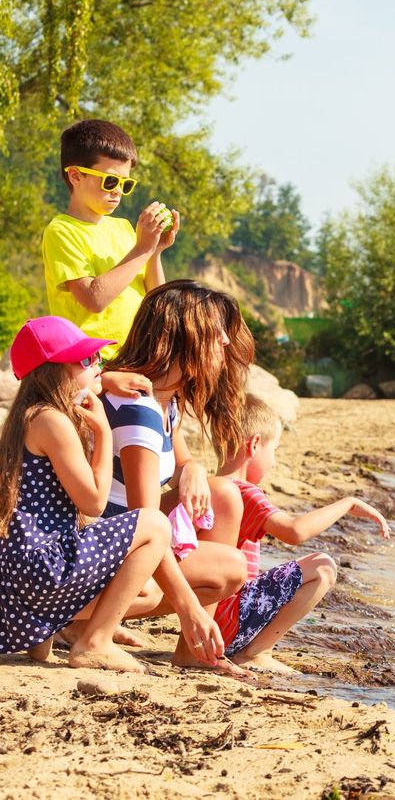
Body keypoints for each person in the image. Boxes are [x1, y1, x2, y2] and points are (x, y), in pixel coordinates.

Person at [0, 317, 223, 673]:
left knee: (147, 591)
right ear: (54, 372)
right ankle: (95, 643)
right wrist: (104, 433)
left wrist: (103, 379)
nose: (98, 365)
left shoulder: (28, 417)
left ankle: (46, 635)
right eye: (87, 360)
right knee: (153, 524)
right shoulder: (52, 421)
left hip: (21, 574)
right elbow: (93, 502)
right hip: (43, 570)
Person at [98, 279, 254, 674]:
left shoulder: (164, 399)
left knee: (223, 494)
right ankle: (89, 626)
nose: (225, 342)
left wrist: (194, 469)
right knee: (230, 568)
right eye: (216, 332)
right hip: (96, 552)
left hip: (115, 538)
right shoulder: (139, 408)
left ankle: (193, 652)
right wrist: (189, 608)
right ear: (185, 336)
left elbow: (180, 462)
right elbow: (145, 524)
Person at [214, 395, 390, 673]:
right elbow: (295, 532)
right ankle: (256, 652)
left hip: (208, 622)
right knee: (322, 566)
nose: (273, 462)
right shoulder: (244, 492)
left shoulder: (211, 487)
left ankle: (252, 649)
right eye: (275, 450)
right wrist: (348, 504)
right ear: (254, 444)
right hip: (229, 624)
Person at [42, 119, 179, 355]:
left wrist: (155, 251)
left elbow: (159, 302)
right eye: (111, 180)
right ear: (75, 175)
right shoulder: (62, 231)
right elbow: (94, 300)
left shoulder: (124, 228)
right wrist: (143, 249)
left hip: (134, 357)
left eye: (125, 184)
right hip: (91, 363)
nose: (117, 191)